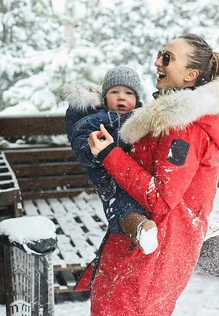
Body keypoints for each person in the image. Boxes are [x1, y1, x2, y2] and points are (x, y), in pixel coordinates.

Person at [76, 33, 219, 316]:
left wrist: (109, 153)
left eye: (167, 58)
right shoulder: (170, 115)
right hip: (143, 242)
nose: (157, 62)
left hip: (157, 247)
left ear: (191, 75)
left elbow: (161, 197)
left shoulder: (185, 127)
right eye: (159, 54)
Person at [60, 66, 159, 254]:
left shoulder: (141, 118)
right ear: (105, 97)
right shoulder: (97, 119)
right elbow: (80, 139)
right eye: (115, 92)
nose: (121, 97)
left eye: (128, 93)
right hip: (109, 176)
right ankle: (138, 229)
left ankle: (188, 220)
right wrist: (92, 149)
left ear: (137, 99)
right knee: (121, 204)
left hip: (137, 171)